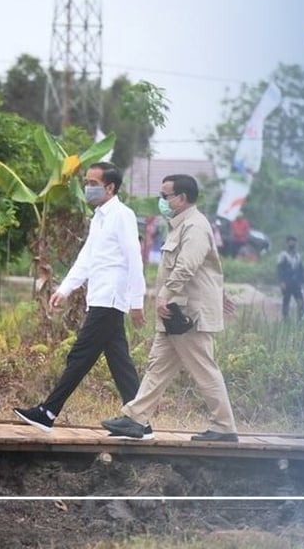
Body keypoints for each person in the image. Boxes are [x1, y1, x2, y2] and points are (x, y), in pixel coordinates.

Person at [100, 174, 239, 442]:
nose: (161, 201)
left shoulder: (195, 226)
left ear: (181, 198)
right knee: (157, 367)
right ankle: (135, 419)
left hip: (187, 315)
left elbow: (188, 265)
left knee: (203, 368)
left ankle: (224, 426)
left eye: (165, 196)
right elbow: (207, 268)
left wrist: (164, 295)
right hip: (176, 313)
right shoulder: (181, 225)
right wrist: (217, 292)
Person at [13, 162, 146, 433]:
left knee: (80, 355)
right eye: (87, 182)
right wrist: (65, 289)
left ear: (110, 187)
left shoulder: (122, 215)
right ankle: (140, 422)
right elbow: (86, 259)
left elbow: (135, 259)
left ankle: (48, 411)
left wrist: (137, 302)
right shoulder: (99, 218)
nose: (88, 188)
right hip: (99, 296)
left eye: (94, 184)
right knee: (120, 362)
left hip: (110, 298)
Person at [277, 235, 304, 321]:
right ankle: (285, 319)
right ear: (287, 243)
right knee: (286, 301)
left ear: (296, 243)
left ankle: (301, 320)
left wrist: (302, 282)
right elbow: (280, 269)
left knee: (301, 301)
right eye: (290, 241)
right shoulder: (283, 255)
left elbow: (301, 270)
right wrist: (281, 282)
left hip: (296, 283)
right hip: (287, 283)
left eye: (293, 241)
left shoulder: (298, 256)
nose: (292, 243)